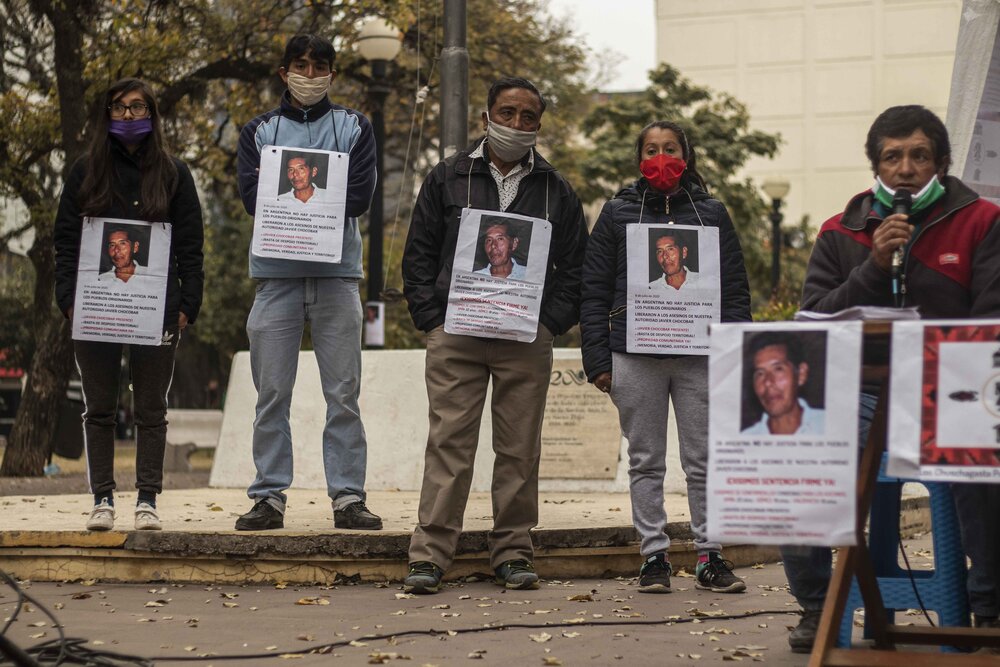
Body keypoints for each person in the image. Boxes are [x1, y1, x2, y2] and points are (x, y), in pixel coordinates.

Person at [787, 105, 1000, 653]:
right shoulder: (841, 231)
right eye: (893, 157)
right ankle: (815, 603)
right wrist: (875, 269)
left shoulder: (982, 222)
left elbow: (989, 320)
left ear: (942, 162)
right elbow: (812, 320)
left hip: (951, 392)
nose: (905, 168)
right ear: (875, 165)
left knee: (980, 457)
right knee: (796, 455)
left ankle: (988, 603)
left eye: (919, 155)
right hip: (862, 393)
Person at [401, 76, 588, 593]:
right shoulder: (447, 177)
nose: (517, 124)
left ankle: (512, 552)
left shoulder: (557, 190)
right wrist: (432, 319)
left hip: (525, 340)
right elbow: (418, 254)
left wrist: (548, 323)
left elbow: (575, 268)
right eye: (507, 113)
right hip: (455, 335)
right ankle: (430, 555)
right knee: (448, 445)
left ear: (539, 126)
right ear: (487, 118)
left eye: (529, 117)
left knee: (519, 449)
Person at [580, 120, 751, 595]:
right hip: (634, 355)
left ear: (686, 156)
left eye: (670, 148)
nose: (661, 157)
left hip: (700, 357)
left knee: (704, 459)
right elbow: (593, 289)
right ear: (639, 158)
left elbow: (734, 290)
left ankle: (710, 556)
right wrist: (598, 358)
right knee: (646, 460)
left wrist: (734, 353)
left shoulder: (712, 213)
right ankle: (652, 556)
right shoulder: (617, 213)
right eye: (651, 149)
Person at [235, 34, 381, 532]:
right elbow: (254, 199)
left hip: (338, 278)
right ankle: (268, 497)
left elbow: (359, 196)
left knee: (343, 394)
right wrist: (317, 206)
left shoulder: (355, 127)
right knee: (271, 394)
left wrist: (302, 213)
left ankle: (348, 498)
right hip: (275, 281)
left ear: (332, 75)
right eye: (300, 64)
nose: (310, 74)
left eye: (320, 66)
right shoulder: (258, 130)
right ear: (283, 72)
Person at [53, 78, 204, 531]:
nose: (129, 116)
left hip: (157, 310)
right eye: (119, 108)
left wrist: (187, 305)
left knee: (151, 408)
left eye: (138, 108)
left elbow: (191, 247)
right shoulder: (84, 172)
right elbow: (64, 241)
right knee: (98, 407)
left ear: (153, 116)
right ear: (106, 116)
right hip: (95, 310)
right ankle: (101, 499)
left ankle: (147, 499)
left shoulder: (175, 174)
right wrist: (68, 301)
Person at [741, 332, 825, 436]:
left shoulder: (827, 426)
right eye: (760, 373)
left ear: (801, 374)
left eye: (778, 369)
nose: (767, 382)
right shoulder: (745, 439)